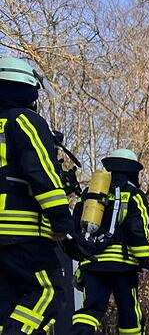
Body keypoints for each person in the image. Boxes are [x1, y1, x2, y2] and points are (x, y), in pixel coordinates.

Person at [0, 57, 74, 334]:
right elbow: (41, 172)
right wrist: (62, 222)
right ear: (27, 88)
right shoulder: (24, 120)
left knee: (6, 305)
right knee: (47, 293)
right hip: (21, 231)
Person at [71, 149, 149, 334]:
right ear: (133, 171)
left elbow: (76, 227)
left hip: (92, 264)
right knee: (129, 313)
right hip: (122, 266)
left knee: (89, 311)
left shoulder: (90, 193)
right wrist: (144, 262)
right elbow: (137, 230)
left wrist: (82, 259)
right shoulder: (134, 194)